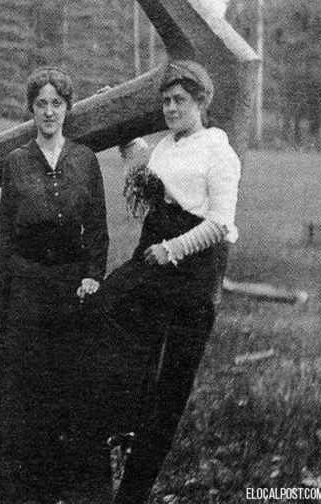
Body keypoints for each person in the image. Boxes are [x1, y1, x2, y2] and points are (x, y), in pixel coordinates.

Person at [101, 59, 241, 503]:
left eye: (180, 100)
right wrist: (119, 123)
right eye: (165, 101)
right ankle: (120, 425)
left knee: (170, 384)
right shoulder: (168, 145)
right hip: (154, 256)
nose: (171, 108)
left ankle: (134, 490)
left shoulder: (219, 151)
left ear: (202, 101)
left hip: (192, 272)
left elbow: (220, 223)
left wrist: (173, 249)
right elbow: (146, 169)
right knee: (102, 308)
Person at [0, 66, 111, 504]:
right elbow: (5, 234)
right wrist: (8, 289)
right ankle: (20, 484)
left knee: (70, 386)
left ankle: (70, 485)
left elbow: (99, 228)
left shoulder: (85, 160)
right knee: (24, 389)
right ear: (31, 110)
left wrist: (93, 274)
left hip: (73, 289)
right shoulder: (16, 162)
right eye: (41, 104)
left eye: (57, 103)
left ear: (68, 108)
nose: (49, 112)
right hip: (28, 289)